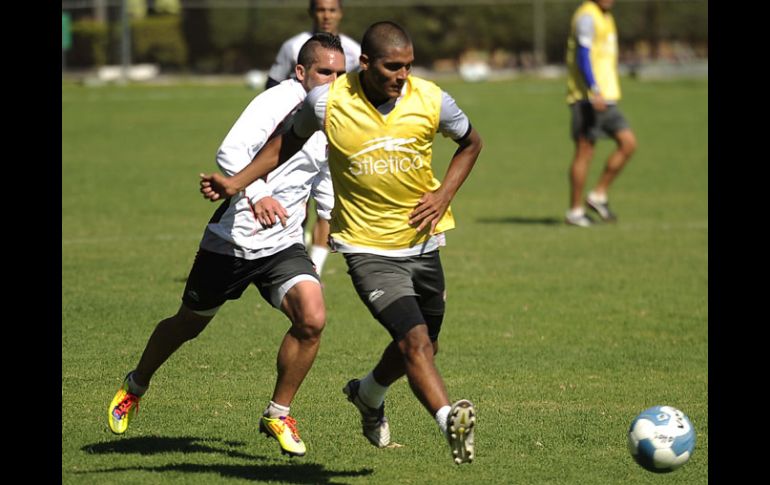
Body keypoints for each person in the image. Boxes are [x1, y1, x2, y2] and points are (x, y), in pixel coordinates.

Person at [200, 21, 482, 465]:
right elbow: (283, 146)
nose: (401, 76)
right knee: (413, 341)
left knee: (427, 343)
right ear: (365, 64)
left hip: (423, 240)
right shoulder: (328, 102)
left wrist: (444, 193)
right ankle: (449, 420)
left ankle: (368, 394)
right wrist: (237, 182)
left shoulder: (431, 99)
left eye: (408, 66)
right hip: (367, 247)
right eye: (392, 67)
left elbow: (471, 142)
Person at [107, 33, 346, 459]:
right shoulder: (276, 102)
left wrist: (335, 227)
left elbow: (325, 179)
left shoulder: (336, 112)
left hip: (283, 245)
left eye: (340, 74)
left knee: (312, 319)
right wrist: (258, 195)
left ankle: (278, 412)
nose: (333, 81)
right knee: (187, 324)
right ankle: (136, 383)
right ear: (301, 71)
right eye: (325, 72)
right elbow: (230, 151)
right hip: (232, 241)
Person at [265, 0, 361, 276]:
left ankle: (313, 272)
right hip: (295, 136)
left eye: (332, 10)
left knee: (328, 205)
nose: (327, 15)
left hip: (333, 137)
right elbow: (271, 87)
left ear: (340, 13)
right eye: (321, 9)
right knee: (296, 201)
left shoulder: (353, 51)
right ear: (311, 13)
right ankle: (289, 253)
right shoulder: (293, 47)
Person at [564, 0, 637, 227]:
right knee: (585, 152)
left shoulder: (605, 16)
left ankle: (597, 196)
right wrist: (593, 88)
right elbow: (583, 54)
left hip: (607, 98)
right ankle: (575, 212)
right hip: (588, 98)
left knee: (628, 143)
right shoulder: (587, 16)